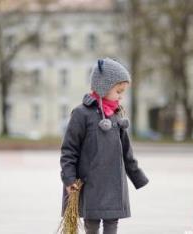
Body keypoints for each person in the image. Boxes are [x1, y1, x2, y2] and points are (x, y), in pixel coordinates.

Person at [60, 58, 149, 234]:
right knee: (91, 222)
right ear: (102, 87)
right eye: (118, 91)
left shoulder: (117, 115)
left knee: (112, 222)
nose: (121, 96)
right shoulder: (81, 114)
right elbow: (69, 150)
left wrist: (137, 176)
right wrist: (69, 179)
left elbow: (126, 151)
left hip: (114, 183)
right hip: (90, 182)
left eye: (123, 92)